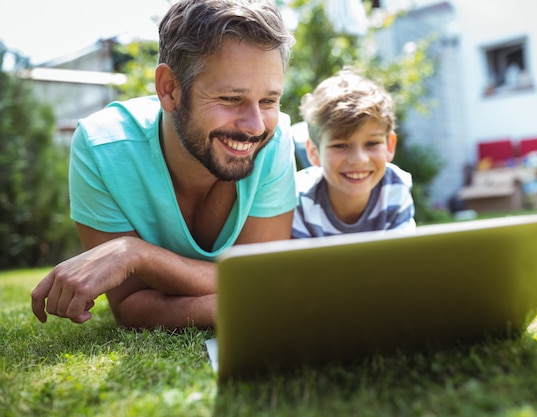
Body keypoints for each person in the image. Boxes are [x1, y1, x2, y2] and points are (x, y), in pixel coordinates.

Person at [31, 0, 297, 329]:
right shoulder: (102, 148)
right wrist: (247, 302)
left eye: (269, 100)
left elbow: (264, 281)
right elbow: (131, 305)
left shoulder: (274, 139)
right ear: (169, 89)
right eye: (230, 99)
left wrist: (135, 254)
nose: (256, 126)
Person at [291, 67, 416, 238]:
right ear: (313, 152)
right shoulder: (298, 199)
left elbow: (402, 261)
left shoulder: (395, 188)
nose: (358, 159)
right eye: (340, 146)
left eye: (371, 143)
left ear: (389, 146)